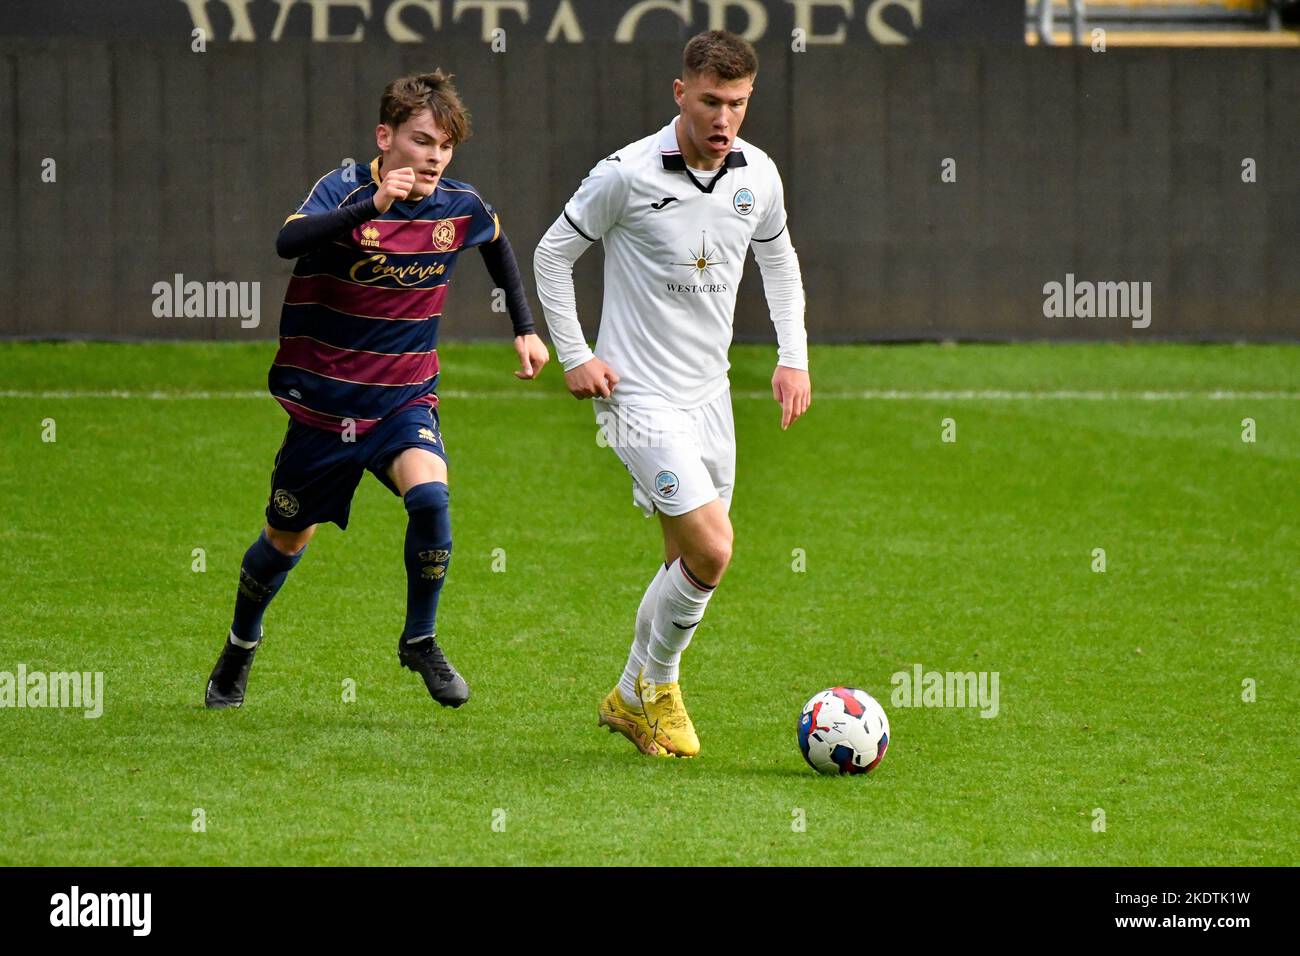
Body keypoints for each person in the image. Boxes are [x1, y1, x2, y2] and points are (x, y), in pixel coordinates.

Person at [205, 71, 548, 710]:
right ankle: (239, 647)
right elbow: (287, 242)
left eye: (445, 146)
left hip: (402, 398)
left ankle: (420, 638)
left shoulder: (459, 205)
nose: (434, 157)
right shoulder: (342, 191)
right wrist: (372, 209)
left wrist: (525, 328)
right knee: (284, 542)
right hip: (324, 406)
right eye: (422, 141)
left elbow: (497, 243)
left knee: (431, 497)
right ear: (385, 137)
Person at [533, 31, 810, 757]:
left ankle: (630, 698)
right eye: (713, 101)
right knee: (714, 551)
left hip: (709, 397)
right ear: (680, 92)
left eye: (740, 104)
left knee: (681, 561)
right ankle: (659, 687)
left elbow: (778, 260)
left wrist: (794, 357)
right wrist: (576, 357)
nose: (725, 119)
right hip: (636, 396)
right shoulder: (625, 174)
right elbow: (551, 254)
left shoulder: (761, 177)